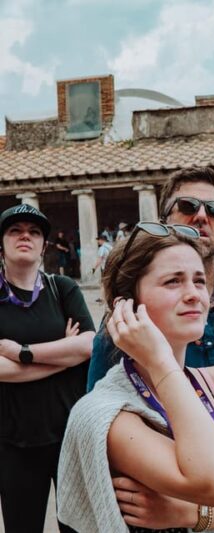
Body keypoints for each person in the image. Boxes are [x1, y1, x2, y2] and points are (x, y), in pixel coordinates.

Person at [57, 224, 214, 532]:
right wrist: (161, 362)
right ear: (125, 305)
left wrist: (188, 512)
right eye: (173, 282)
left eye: (199, 280)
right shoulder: (106, 414)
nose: (193, 295)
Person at [88, 167, 214, 437]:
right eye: (187, 206)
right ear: (164, 222)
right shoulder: (129, 319)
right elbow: (98, 413)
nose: (202, 216)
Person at [0, 204, 95, 533]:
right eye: (15, 230)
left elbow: (88, 345)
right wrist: (61, 354)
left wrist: (21, 352)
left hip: (68, 436)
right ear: (2, 244)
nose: (25, 235)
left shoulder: (62, 288)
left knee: (77, 527)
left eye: (34, 232)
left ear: (43, 246)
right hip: (13, 440)